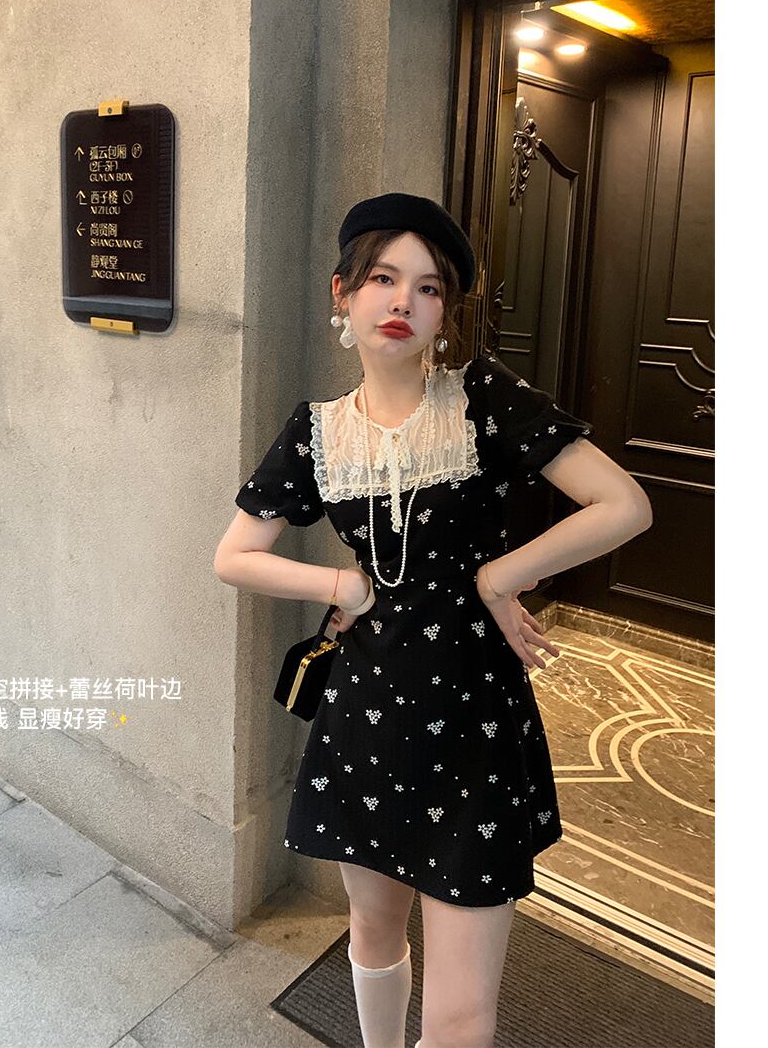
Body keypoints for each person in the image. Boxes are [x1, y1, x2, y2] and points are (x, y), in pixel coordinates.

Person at [213, 193, 653, 1048]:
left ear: (445, 312)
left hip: (474, 723)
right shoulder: (316, 432)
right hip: (365, 718)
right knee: (373, 930)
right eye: (382, 279)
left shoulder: (481, 399)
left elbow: (624, 504)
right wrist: (340, 587)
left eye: (428, 287)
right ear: (342, 292)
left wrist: (500, 576)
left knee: (460, 1018)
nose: (402, 302)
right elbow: (235, 554)